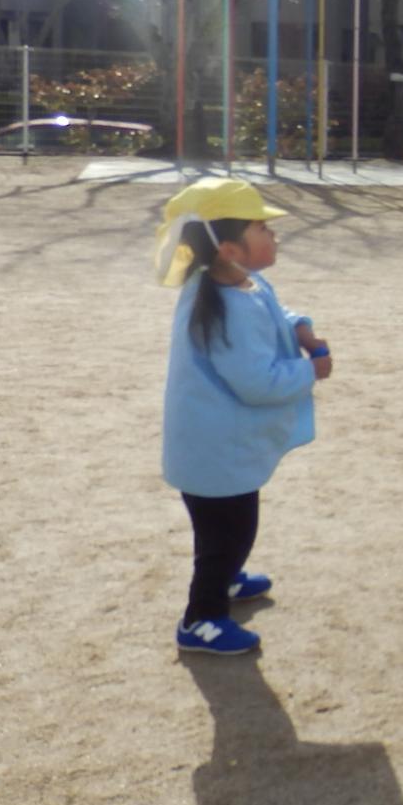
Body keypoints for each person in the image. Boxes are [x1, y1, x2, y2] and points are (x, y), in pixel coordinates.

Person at [154, 177, 332, 657]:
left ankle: (227, 581)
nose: (275, 235)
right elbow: (256, 382)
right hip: (216, 450)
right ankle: (201, 619)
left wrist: (301, 327)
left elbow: (274, 310)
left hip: (221, 446)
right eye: (262, 228)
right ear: (231, 249)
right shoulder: (221, 306)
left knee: (225, 531)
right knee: (227, 537)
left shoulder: (236, 283)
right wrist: (309, 369)